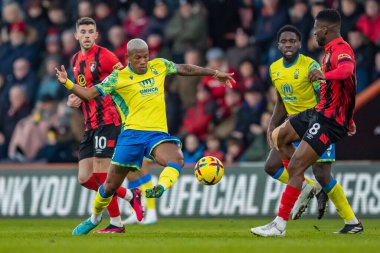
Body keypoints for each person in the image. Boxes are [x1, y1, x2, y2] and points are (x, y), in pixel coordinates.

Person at [56, 38, 235, 235]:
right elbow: (89, 94)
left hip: (156, 135)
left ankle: (160, 188)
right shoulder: (118, 78)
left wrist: (215, 73)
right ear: (128, 58)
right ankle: (95, 219)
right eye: (138, 57)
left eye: (146, 56)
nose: (143, 61)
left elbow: (185, 68)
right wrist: (68, 83)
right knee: (108, 187)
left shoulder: (159, 66)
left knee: (177, 159)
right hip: (131, 136)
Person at [251, 9, 363, 237]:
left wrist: (325, 76)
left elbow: (347, 71)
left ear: (324, 29)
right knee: (278, 138)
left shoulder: (340, 50)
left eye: (315, 29)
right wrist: (350, 118)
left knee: (307, 170)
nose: (314, 33)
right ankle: (304, 186)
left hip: (328, 121)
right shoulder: (326, 52)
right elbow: (348, 89)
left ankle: (279, 224)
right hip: (318, 114)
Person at [66, 17, 143, 234]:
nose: (87, 35)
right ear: (76, 36)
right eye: (83, 32)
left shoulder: (106, 56)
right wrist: (73, 99)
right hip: (89, 124)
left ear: (96, 35)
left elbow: (126, 77)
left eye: (91, 31)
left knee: (101, 172)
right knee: (84, 178)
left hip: (109, 120)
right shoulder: (74, 60)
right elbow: (83, 89)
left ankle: (116, 223)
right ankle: (130, 195)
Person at [262, 25, 334, 221]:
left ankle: (351, 221)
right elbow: (281, 101)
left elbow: (325, 95)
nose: (288, 44)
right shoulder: (274, 68)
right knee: (270, 166)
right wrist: (272, 125)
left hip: (316, 124)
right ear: (278, 45)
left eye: (292, 41)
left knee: (322, 174)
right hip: (293, 127)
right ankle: (305, 186)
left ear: (300, 44)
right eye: (284, 41)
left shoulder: (310, 66)